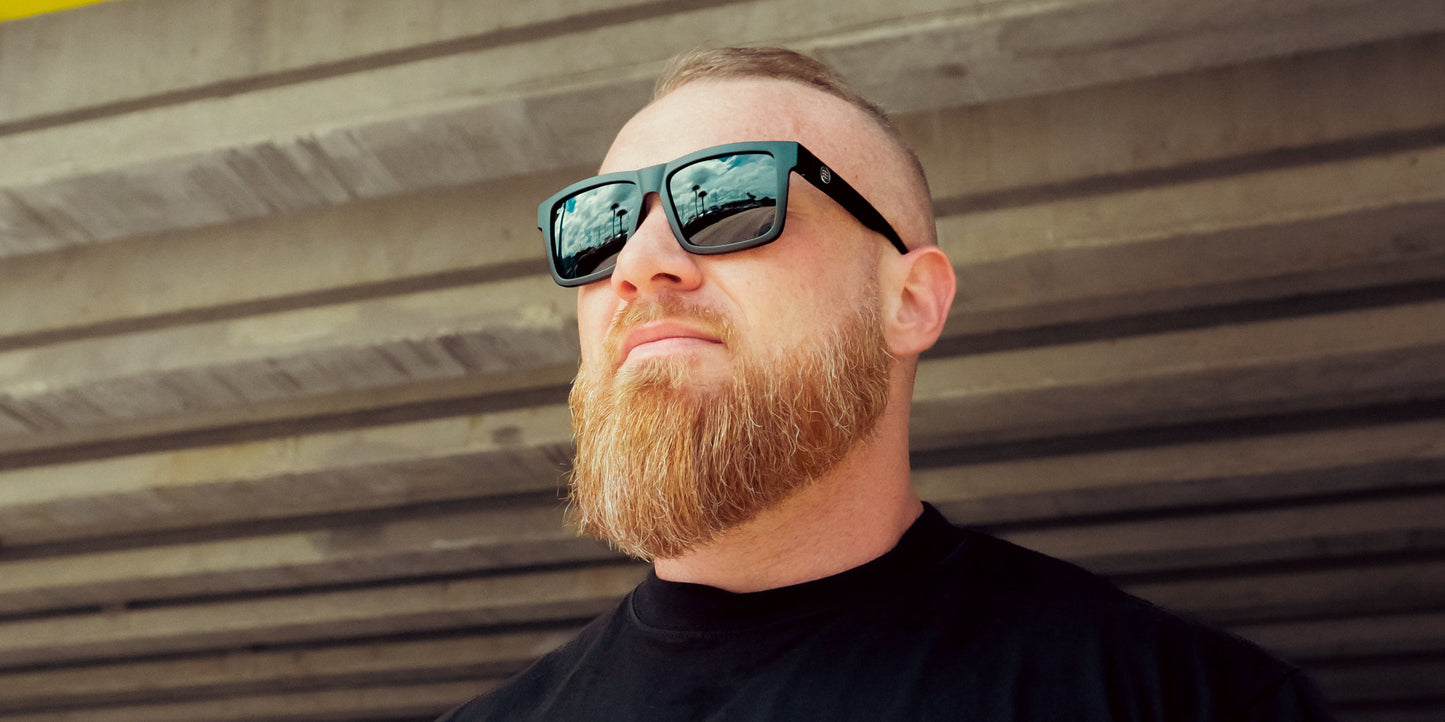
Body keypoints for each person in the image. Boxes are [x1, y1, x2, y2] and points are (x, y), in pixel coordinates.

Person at [437, 47, 1334, 721]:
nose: (638, 263)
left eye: (724, 199)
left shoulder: (1188, 704)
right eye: (600, 225)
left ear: (909, 301)